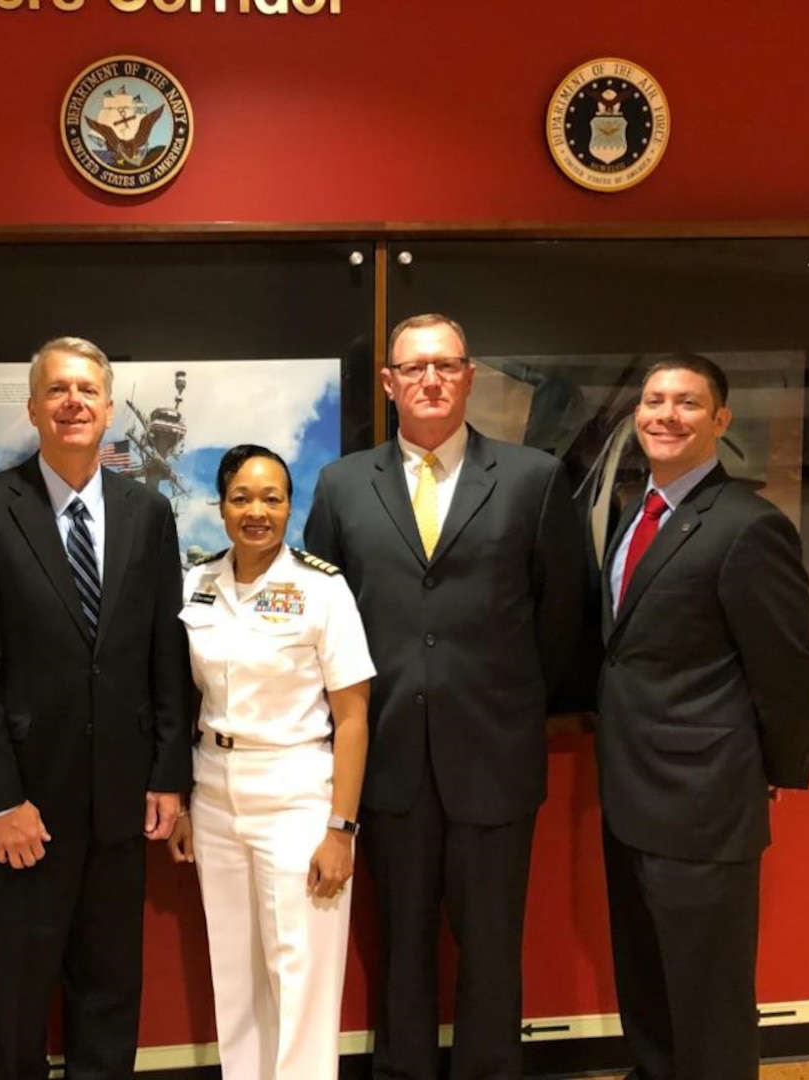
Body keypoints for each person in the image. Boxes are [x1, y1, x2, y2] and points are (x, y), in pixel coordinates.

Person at [304, 313, 582, 1080]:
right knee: (401, 947)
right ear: (389, 383)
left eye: (447, 365)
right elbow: (324, 620)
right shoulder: (340, 484)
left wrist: (513, 703)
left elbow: (562, 619)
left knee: (493, 946)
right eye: (413, 367)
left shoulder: (533, 479)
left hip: (494, 756)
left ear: (469, 376)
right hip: (386, 757)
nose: (430, 379)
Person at [0, 335, 192, 1080]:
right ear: (33, 409)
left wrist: (169, 774)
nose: (73, 402)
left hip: (121, 798)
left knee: (110, 992)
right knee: (16, 995)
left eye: (86, 390)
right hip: (24, 806)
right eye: (57, 390)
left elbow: (162, 654)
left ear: (109, 409)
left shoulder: (148, 513)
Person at [596, 354, 809, 1080]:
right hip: (632, 794)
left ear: (720, 421)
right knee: (648, 977)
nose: (666, 414)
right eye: (655, 400)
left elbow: (787, 667)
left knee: (708, 994)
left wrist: (768, 772)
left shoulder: (748, 526)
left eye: (687, 403)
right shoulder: (636, 514)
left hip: (704, 799)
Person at [168, 444, 374, 1080]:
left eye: (272, 498)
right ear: (221, 506)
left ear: (291, 506)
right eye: (241, 498)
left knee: (300, 972)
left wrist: (341, 829)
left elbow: (354, 718)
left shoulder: (321, 588)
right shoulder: (195, 582)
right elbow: (180, 699)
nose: (257, 511)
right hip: (214, 790)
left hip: (297, 793)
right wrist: (180, 801)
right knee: (235, 971)